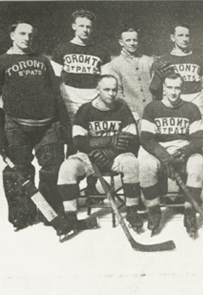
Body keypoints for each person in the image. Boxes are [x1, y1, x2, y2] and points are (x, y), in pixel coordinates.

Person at [0, 21, 72, 231]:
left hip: (47, 123)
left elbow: (57, 94)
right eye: (22, 34)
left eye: (31, 35)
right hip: (15, 124)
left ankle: (48, 213)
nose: (27, 38)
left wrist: (63, 122)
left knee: (52, 168)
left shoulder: (43, 60)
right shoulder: (3, 61)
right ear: (12, 35)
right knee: (19, 171)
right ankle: (22, 216)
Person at [56, 75, 141, 230]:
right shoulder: (85, 110)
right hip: (89, 156)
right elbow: (78, 141)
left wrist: (109, 152)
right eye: (106, 89)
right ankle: (70, 217)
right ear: (97, 90)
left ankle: (132, 211)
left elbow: (132, 139)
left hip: (117, 155)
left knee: (132, 163)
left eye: (114, 90)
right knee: (67, 167)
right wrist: (108, 142)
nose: (111, 93)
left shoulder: (122, 108)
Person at [140, 73, 203, 237]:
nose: (173, 92)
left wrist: (185, 151)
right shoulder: (152, 108)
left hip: (184, 150)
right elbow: (146, 138)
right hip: (160, 149)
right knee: (146, 165)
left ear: (182, 88)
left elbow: (198, 139)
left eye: (177, 88)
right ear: (164, 88)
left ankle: (189, 212)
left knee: (197, 164)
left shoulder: (191, 108)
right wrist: (162, 155)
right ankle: (154, 210)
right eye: (169, 87)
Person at [149, 21, 203, 132]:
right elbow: (155, 90)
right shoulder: (164, 61)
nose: (185, 39)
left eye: (187, 35)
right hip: (172, 107)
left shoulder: (199, 59)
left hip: (195, 106)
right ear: (172, 37)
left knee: (198, 138)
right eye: (180, 35)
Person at [51, 9, 111, 123]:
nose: (85, 30)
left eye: (88, 27)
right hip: (69, 101)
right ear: (74, 26)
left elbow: (106, 80)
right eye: (81, 26)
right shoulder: (61, 49)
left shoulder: (102, 51)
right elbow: (54, 79)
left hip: (93, 100)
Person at [102, 27, 154, 119]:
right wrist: (128, 111)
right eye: (128, 40)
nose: (132, 43)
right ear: (121, 42)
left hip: (151, 112)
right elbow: (117, 92)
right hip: (131, 114)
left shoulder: (148, 61)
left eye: (135, 40)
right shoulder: (115, 64)